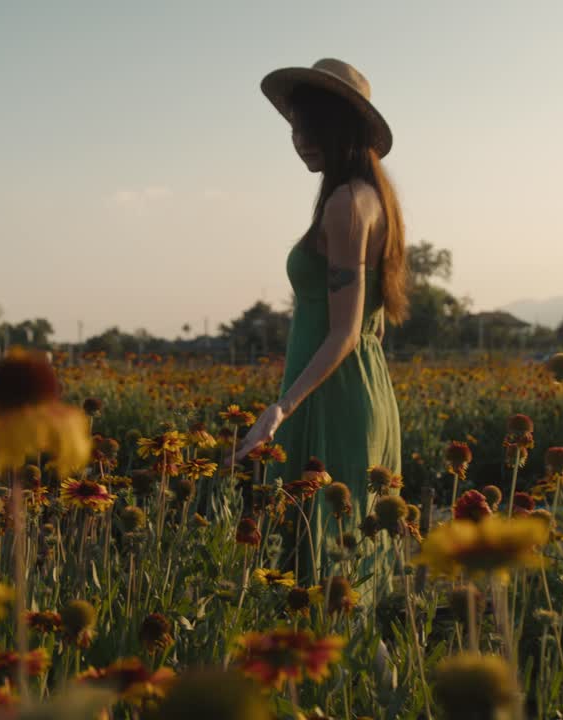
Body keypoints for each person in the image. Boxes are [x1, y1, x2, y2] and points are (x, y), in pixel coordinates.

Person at [230, 58, 408, 587]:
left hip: (333, 393)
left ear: (343, 128)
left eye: (311, 126)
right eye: (294, 127)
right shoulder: (366, 198)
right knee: (325, 559)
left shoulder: (348, 205)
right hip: (337, 383)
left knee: (327, 564)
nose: (300, 139)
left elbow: (346, 331)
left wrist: (282, 407)